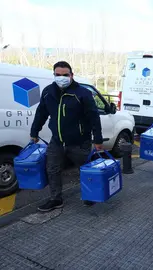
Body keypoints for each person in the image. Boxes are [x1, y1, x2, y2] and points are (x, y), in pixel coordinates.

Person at [30, 61, 103, 212]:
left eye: (65, 75)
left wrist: (98, 139)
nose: (61, 77)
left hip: (79, 141)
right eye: (58, 75)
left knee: (85, 169)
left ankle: (90, 194)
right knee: (52, 169)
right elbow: (41, 113)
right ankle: (56, 199)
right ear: (54, 75)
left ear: (71, 75)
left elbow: (93, 117)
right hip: (57, 140)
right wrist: (34, 132)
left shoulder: (82, 93)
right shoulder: (48, 92)